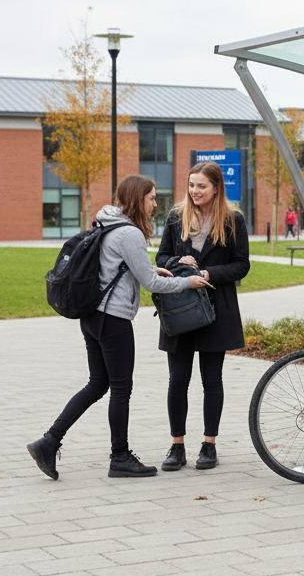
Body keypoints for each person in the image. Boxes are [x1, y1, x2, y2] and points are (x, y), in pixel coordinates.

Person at [27, 176, 211, 480]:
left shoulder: (106, 222)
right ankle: (120, 457)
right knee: (121, 388)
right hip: (113, 320)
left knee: (98, 384)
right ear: (139, 199)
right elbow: (152, 284)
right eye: (151, 198)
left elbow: (120, 265)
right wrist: (186, 281)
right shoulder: (130, 233)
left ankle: (48, 442)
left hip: (92, 317)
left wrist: (152, 268)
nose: (155, 204)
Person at [156, 161, 250, 471]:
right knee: (177, 380)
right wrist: (176, 259)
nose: (195, 191)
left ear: (216, 188)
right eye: (191, 185)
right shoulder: (175, 217)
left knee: (212, 380)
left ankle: (209, 445)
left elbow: (241, 265)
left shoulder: (233, 220)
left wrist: (209, 271)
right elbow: (161, 258)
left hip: (216, 311)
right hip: (180, 309)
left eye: (201, 186)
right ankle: (177, 445)